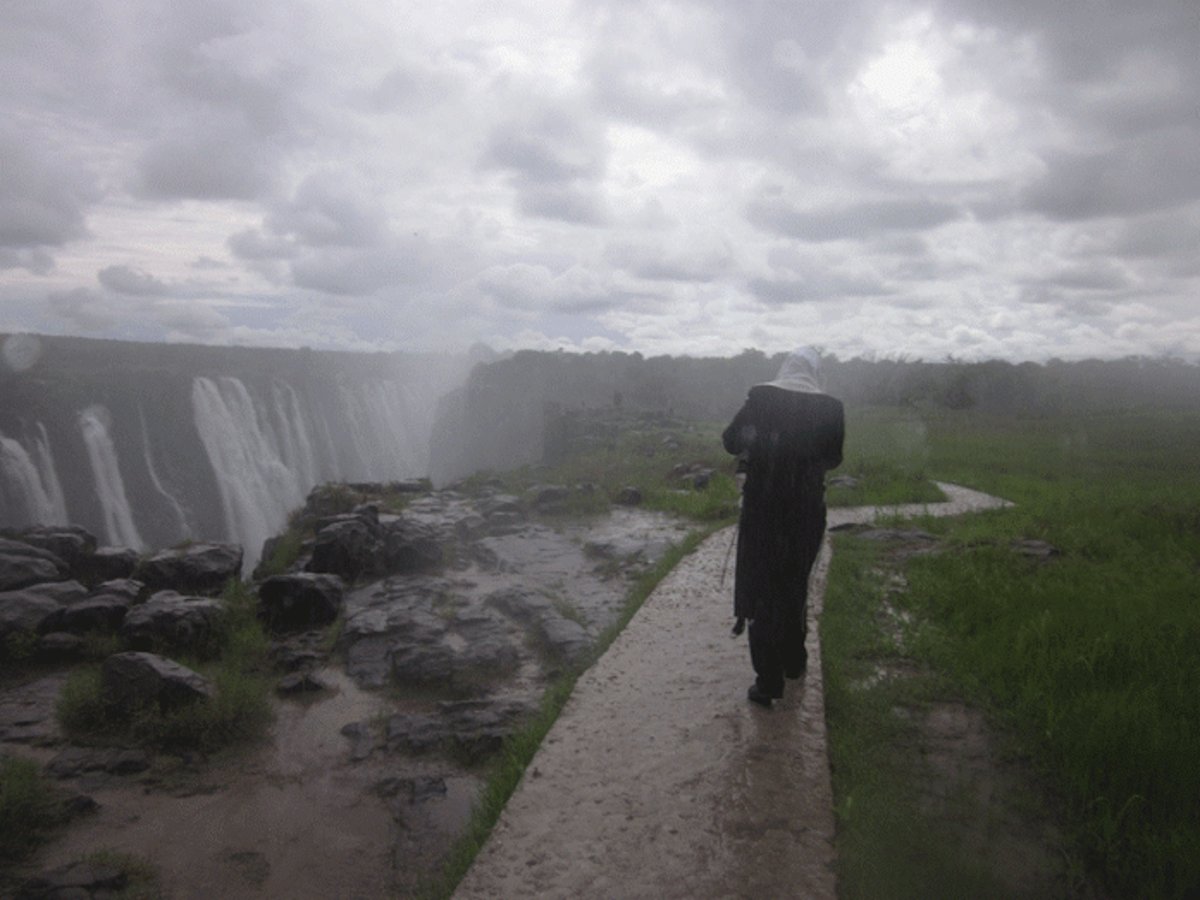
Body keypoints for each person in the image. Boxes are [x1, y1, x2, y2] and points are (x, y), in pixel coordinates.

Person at [722, 347, 844, 708]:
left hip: (763, 510)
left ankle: (768, 680)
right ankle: (794, 661)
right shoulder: (831, 407)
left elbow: (731, 441)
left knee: (761, 589)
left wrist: (761, 444)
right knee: (793, 586)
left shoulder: (761, 397)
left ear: (785, 367)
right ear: (815, 372)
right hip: (806, 511)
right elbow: (834, 458)